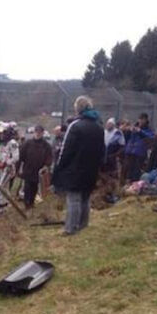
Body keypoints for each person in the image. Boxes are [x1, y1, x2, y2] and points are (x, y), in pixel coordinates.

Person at [52, 96, 104, 235]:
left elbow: (66, 149)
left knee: (73, 198)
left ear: (78, 109)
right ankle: (83, 225)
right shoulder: (99, 126)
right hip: (92, 169)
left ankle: (70, 228)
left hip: (75, 169)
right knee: (85, 198)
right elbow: (102, 150)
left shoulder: (75, 126)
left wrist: (59, 166)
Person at [18, 125, 53, 210]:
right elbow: (21, 156)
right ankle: (27, 204)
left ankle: (32, 202)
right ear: (34, 132)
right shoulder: (28, 143)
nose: (38, 133)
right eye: (36, 131)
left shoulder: (46, 145)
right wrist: (18, 168)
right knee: (27, 187)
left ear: (42, 133)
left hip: (39, 171)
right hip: (28, 169)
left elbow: (49, 157)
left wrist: (46, 165)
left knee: (34, 187)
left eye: (40, 132)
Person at [0, 127, 20, 214]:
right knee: (5, 188)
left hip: (9, 168)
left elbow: (16, 157)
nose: (2, 136)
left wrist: (5, 163)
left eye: (4, 134)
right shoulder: (2, 143)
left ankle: (2, 207)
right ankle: (7, 205)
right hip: (2, 168)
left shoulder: (13, 143)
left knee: (0, 188)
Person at [123, 113, 154, 183]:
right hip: (130, 151)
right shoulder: (134, 127)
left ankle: (134, 183)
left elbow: (151, 137)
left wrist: (140, 131)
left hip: (140, 152)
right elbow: (128, 138)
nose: (140, 121)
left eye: (142, 119)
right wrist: (127, 130)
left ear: (146, 120)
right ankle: (127, 182)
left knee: (136, 170)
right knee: (128, 169)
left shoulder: (148, 129)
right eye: (140, 119)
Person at [101, 118, 125, 203]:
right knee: (104, 176)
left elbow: (122, 147)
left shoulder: (117, 133)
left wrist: (115, 155)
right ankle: (104, 193)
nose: (108, 125)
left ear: (113, 125)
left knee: (113, 176)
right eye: (107, 124)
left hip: (112, 159)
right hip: (104, 159)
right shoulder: (104, 132)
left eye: (110, 124)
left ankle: (113, 194)